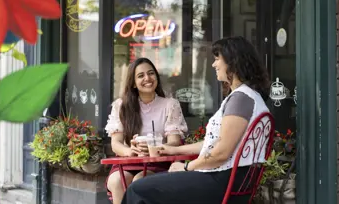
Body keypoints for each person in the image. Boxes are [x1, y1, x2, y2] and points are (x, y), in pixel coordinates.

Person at [121, 36, 271, 204]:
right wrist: (174, 151)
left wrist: (186, 167)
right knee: (147, 186)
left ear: (232, 63)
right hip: (228, 180)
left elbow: (220, 153)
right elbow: (215, 144)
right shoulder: (246, 97)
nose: (214, 64)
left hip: (221, 182)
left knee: (138, 189)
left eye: (217, 59)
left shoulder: (241, 99)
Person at [105, 57, 188, 204]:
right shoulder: (121, 106)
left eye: (151, 73)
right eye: (140, 75)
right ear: (133, 83)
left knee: (140, 181)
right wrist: (130, 151)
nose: (147, 78)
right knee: (117, 181)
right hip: (127, 162)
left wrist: (155, 147)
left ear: (156, 76)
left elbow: (175, 142)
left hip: (158, 163)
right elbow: (116, 143)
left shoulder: (170, 104)